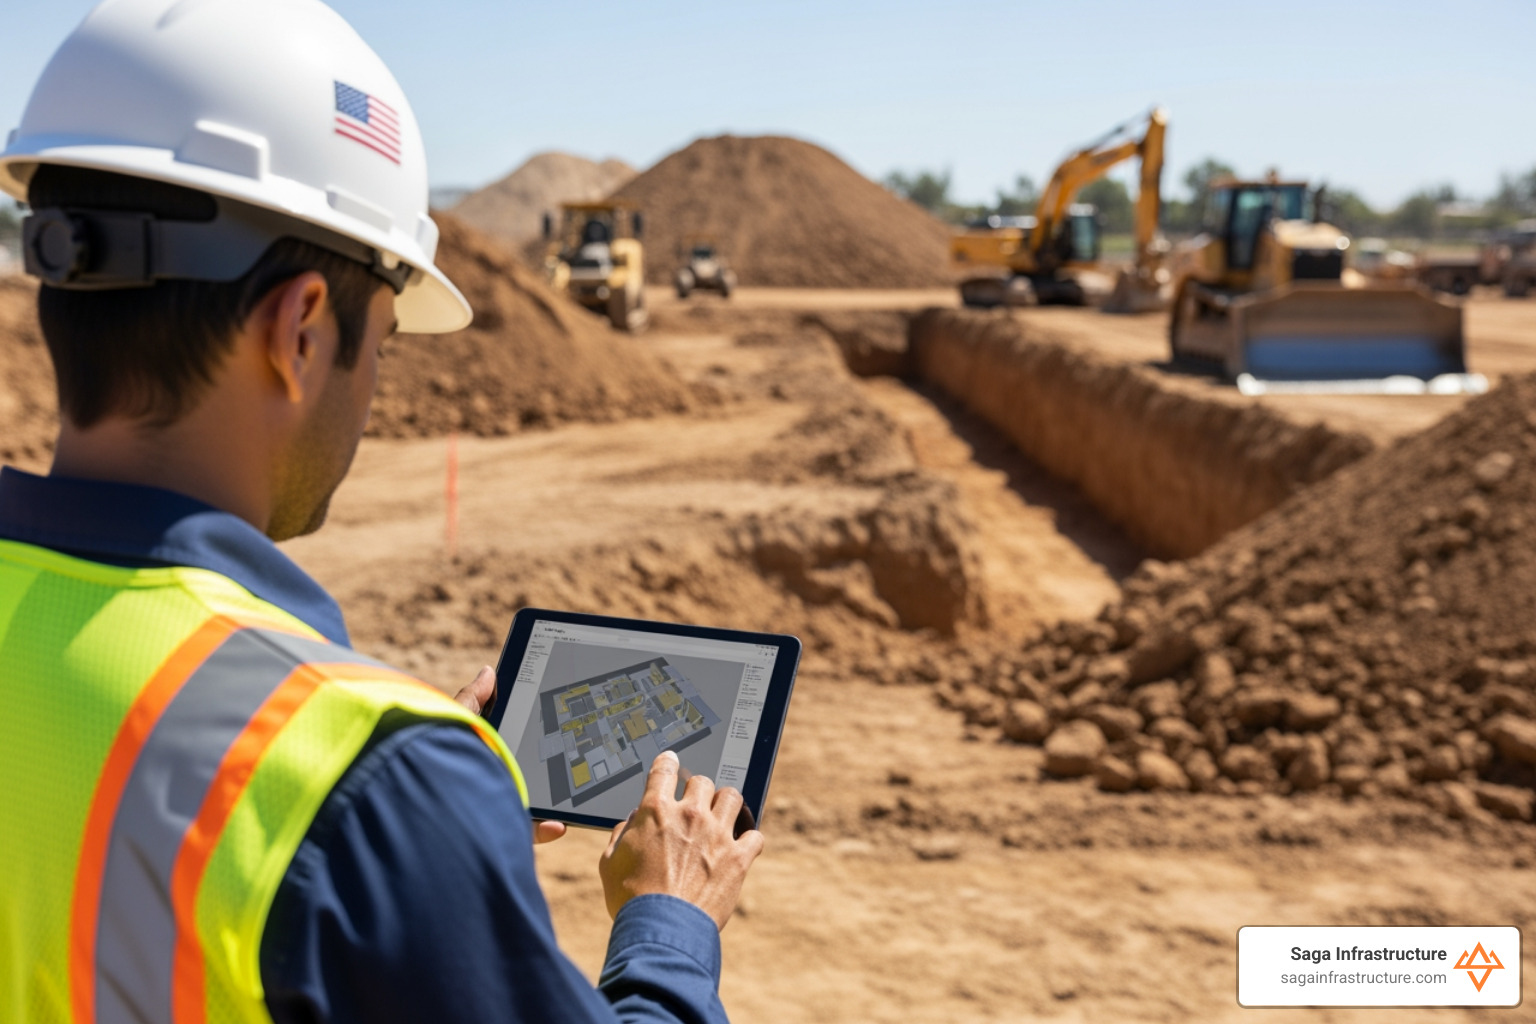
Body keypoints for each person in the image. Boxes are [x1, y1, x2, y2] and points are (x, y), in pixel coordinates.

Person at [0, 2, 762, 1022]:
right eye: (385, 347)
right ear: (302, 329)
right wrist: (669, 921)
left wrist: (414, 781)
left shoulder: (377, 777)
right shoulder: (368, 786)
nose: (373, 393)